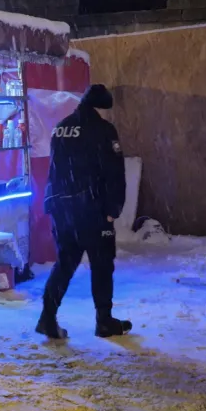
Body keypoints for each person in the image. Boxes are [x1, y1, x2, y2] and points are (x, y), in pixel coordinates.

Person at [38, 84, 130, 340]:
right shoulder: (103, 131)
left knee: (65, 264)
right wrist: (113, 209)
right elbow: (114, 173)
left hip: (62, 210)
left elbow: (55, 170)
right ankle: (104, 321)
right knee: (102, 265)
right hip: (92, 211)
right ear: (102, 108)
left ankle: (47, 317)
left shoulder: (62, 127)